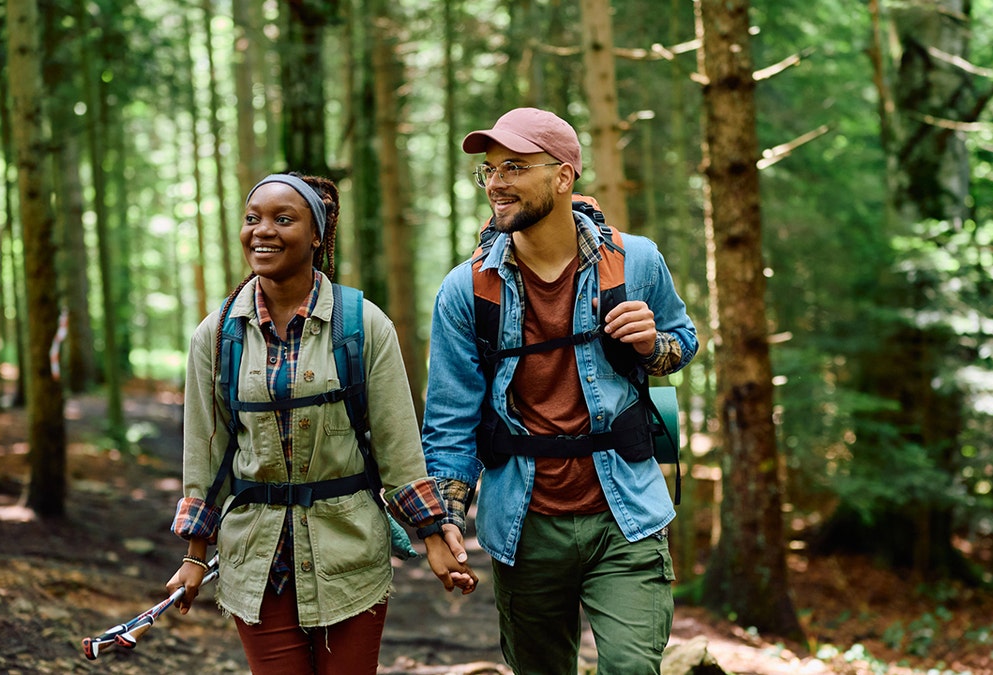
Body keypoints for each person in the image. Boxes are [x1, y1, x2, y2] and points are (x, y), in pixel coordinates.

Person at [421, 107, 699, 674]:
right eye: (489, 169)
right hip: (523, 526)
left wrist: (653, 345)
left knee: (631, 668)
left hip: (625, 515)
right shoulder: (466, 290)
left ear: (563, 176)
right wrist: (445, 519)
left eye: (514, 167)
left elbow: (683, 342)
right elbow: (450, 422)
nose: (496, 182)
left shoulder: (636, 261)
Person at [166, 172, 475, 674]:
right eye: (252, 218)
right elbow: (205, 453)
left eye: (283, 219)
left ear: (317, 235)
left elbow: (398, 447)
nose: (262, 231)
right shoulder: (217, 334)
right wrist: (195, 556)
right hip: (256, 560)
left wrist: (434, 535)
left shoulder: (362, 324)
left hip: (349, 556)